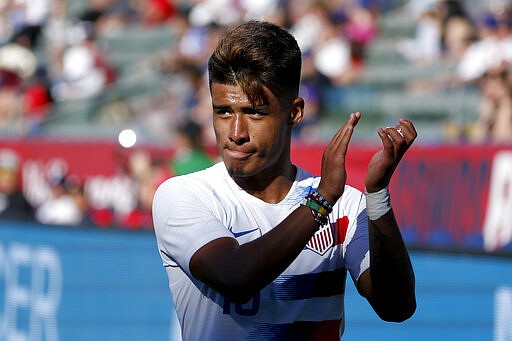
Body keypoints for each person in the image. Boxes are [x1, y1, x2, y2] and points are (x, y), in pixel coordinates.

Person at [153, 20, 416, 340]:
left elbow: (396, 308)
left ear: (294, 112)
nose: (235, 133)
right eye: (223, 112)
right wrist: (320, 202)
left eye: (255, 113)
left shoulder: (345, 204)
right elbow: (235, 278)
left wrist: (376, 194)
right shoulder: (185, 194)